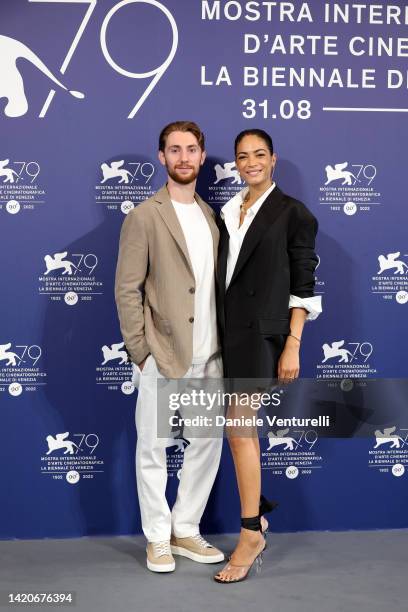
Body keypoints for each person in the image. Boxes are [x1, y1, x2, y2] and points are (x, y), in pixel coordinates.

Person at [115, 121, 224, 573]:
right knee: (153, 448)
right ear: (161, 157)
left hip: (211, 357)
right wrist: (141, 352)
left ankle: (185, 530)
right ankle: (157, 537)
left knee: (204, 446)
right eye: (174, 149)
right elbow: (127, 290)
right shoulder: (144, 216)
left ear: (202, 156)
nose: (183, 157)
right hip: (162, 356)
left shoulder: (212, 217)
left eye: (191, 149)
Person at [214, 129, 321, 583]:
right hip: (224, 332)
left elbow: (304, 285)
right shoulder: (226, 210)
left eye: (259, 155)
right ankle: (257, 519)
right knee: (241, 433)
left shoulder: (293, 213)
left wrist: (293, 343)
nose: (251, 162)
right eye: (243, 156)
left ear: (273, 160)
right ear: (236, 163)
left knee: (239, 431)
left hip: (263, 336)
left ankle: (250, 532)